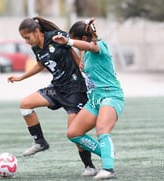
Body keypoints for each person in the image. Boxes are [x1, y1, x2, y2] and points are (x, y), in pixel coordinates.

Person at [7, 17, 97, 176]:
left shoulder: (57, 36)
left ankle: (89, 166)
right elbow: (41, 64)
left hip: (75, 89)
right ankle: (40, 142)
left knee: (74, 134)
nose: (27, 42)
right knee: (25, 104)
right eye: (24, 39)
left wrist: (82, 64)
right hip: (56, 88)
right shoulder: (36, 47)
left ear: (37, 32)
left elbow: (74, 47)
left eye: (27, 38)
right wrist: (22, 77)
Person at [53, 18, 125, 180]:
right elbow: (83, 56)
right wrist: (70, 48)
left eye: (75, 40)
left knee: (102, 130)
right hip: (94, 100)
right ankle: (107, 152)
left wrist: (69, 42)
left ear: (83, 39)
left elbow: (90, 46)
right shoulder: (85, 54)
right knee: (73, 133)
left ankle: (108, 169)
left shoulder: (101, 45)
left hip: (111, 96)